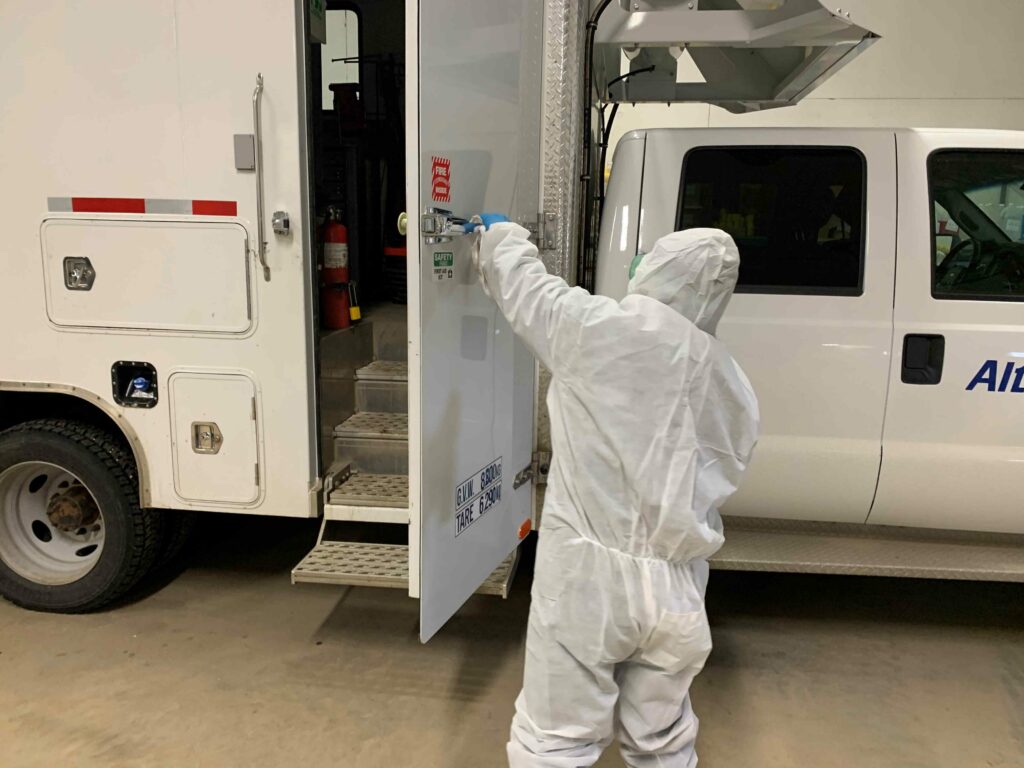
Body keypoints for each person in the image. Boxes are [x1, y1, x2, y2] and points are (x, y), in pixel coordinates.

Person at [466, 216, 760, 768]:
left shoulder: (598, 329)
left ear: (658, 271)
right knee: (663, 740)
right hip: (677, 591)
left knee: (555, 740)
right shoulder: (733, 384)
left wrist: (502, 234)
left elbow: (526, 289)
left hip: (587, 583)